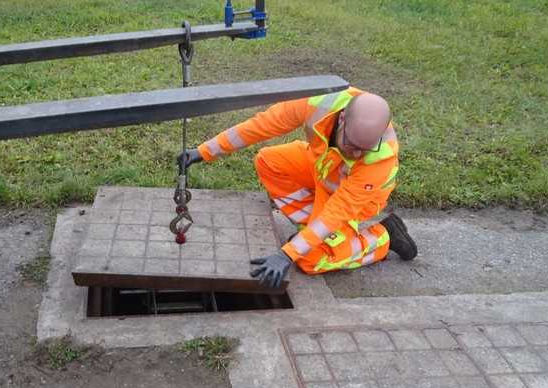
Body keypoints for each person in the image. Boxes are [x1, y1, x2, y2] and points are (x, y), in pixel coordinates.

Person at [178, 87, 417, 289]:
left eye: (364, 149)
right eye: (351, 144)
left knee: (310, 260)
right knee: (269, 161)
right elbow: (264, 124)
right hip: (321, 169)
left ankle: (384, 236)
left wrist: (288, 254)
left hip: (353, 202)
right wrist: (204, 151)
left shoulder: (380, 160)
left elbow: (337, 212)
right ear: (342, 118)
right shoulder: (319, 102)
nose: (355, 154)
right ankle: (312, 232)